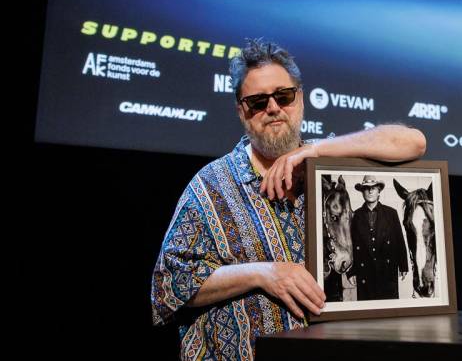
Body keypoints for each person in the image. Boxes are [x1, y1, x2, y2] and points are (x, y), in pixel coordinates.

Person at [151, 39, 426, 360]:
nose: (273, 107)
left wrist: (315, 150)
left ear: (300, 99)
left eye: (284, 96)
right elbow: (169, 286)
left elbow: (414, 142)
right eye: (257, 101)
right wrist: (263, 274)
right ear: (242, 111)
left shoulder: (329, 168)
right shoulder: (210, 186)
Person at [347, 175, 409, 300]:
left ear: (379, 191)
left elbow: (399, 240)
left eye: (373, 188)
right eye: (366, 188)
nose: (370, 191)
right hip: (365, 272)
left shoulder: (391, 213)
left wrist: (403, 265)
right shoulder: (356, 215)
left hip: (387, 271)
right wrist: (351, 271)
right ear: (362, 192)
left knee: (389, 310)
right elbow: (351, 244)